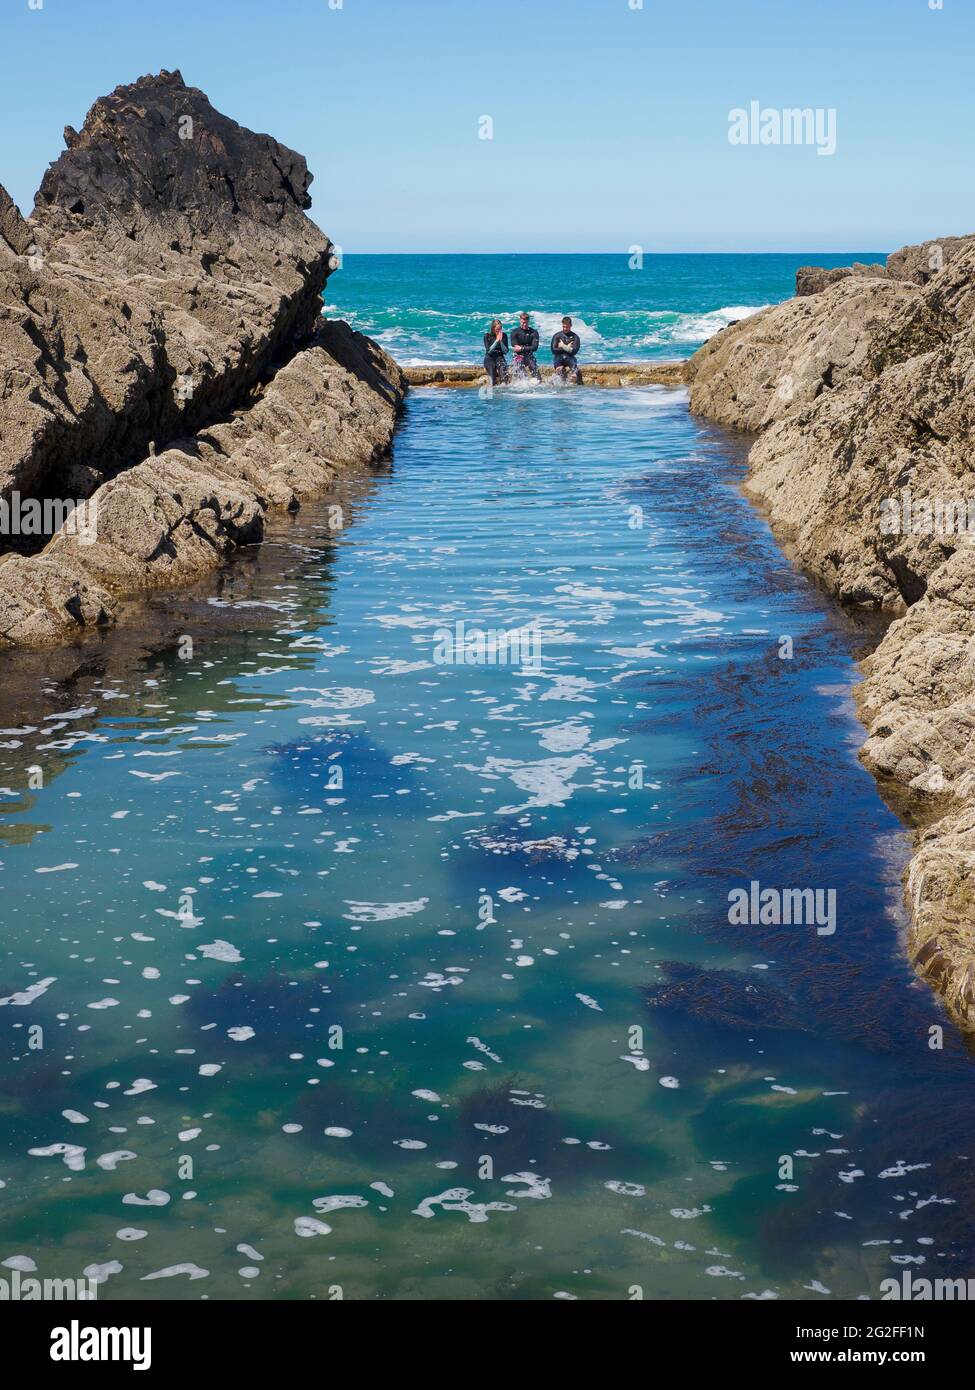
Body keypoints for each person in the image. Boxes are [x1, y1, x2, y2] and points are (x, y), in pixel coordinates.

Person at [511, 311, 541, 381]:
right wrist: (524, 348)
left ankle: (537, 383)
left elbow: (535, 347)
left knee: (534, 368)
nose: (524, 324)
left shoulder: (534, 332)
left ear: (528, 321)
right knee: (520, 368)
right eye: (522, 322)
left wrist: (522, 348)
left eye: (526, 323)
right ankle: (524, 384)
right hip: (518, 355)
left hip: (529, 355)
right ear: (520, 321)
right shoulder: (515, 332)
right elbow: (515, 347)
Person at [551, 316, 581, 382]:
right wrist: (567, 348)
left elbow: (574, 351)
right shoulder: (557, 336)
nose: (565, 328)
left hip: (569, 357)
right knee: (558, 358)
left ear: (571, 326)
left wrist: (562, 346)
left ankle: (573, 373)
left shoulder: (575, 337)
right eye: (563, 326)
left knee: (572, 360)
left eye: (567, 327)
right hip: (559, 357)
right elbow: (553, 350)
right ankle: (559, 369)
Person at [483, 318, 509, 386]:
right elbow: (489, 351)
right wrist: (496, 341)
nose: (499, 331)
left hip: (500, 357)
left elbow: (505, 351)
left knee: (504, 377)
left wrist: (501, 342)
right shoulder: (487, 336)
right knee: (492, 379)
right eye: (497, 329)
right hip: (489, 358)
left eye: (500, 329)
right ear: (493, 328)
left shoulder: (504, 336)